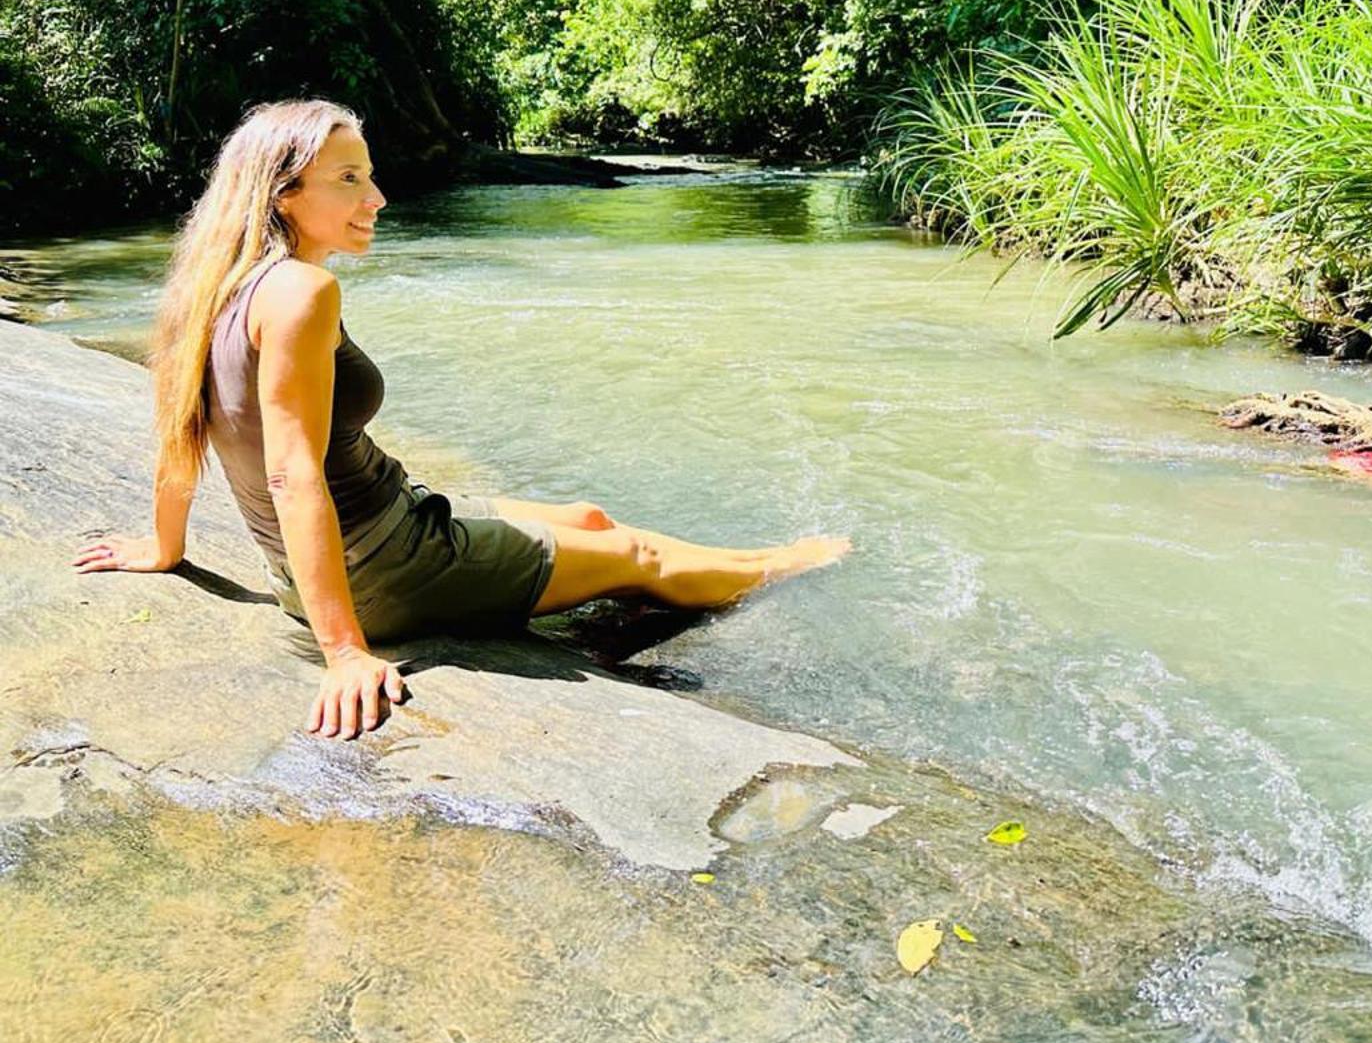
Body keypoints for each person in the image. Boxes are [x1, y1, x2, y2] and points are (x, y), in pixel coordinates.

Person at [72, 99, 850, 741]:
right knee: (633, 552)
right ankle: (779, 566)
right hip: (387, 568)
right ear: (283, 195)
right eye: (348, 180)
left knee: (587, 516)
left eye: (370, 176)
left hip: (373, 534)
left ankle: (730, 560)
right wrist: (345, 651)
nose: (375, 199)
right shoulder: (301, 296)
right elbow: (290, 472)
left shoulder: (214, 286)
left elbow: (180, 428)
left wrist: (165, 548)